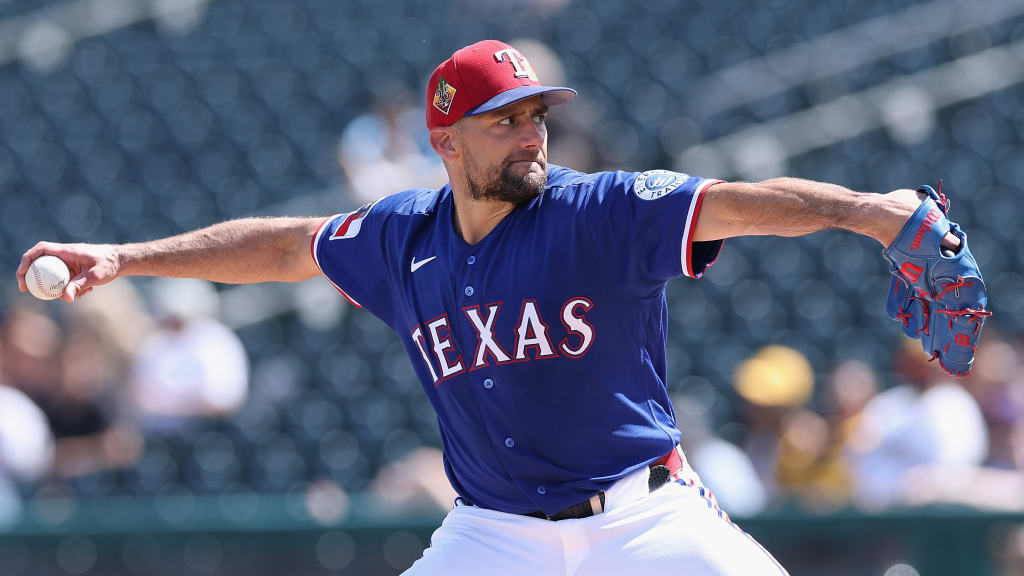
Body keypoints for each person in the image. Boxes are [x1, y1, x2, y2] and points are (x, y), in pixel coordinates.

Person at [15, 40, 970, 575]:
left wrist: (876, 215)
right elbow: (281, 245)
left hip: (646, 520)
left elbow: (737, 201)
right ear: (446, 140)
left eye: (536, 114)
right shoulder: (401, 238)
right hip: (494, 534)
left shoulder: (595, 210)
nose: (531, 134)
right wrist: (124, 258)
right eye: (504, 120)